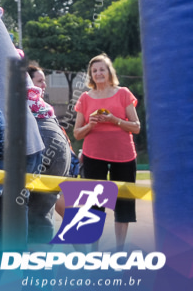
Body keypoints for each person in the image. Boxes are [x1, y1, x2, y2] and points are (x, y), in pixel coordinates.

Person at [74, 53, 140, 249]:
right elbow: (77, 134)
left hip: (124, 155)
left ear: (109, 72)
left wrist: (114, 120)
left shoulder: (123, 93)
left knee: (124, 203)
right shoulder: (85, 98)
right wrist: (90, 125)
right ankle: (95, 248)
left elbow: (136, 127)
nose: (98, 73)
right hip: (93, 155)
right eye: (94, 71)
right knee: (94, 203)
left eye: (102, 69)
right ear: (91, 75)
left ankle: (119, 248)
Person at [23, 62, 72, 243]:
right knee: (42, 213)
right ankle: (40, 267)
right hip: (56, 146)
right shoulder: (43, 105)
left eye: (45, 81)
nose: (43, 85)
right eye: (40, 81)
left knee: (20, 212)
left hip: (35, 142)